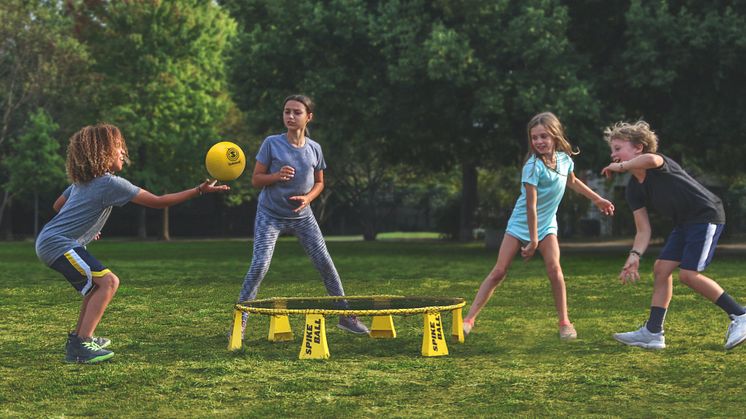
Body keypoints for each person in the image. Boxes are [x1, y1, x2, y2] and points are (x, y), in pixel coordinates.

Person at [35, 123, 229, 364]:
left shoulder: (82, 182)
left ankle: (80, 339)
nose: (123, 153)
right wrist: (199, 190)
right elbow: (159, 201)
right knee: (109, 282)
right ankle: (82, 345)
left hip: (53, 240)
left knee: (98, 286)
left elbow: (57, 206)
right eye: (118, 148)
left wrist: (85, 227)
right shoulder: (110, 183)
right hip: (58, 244)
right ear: (102, 152)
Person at [463, 112, 615, 340]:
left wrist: (597, 198)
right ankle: (469, 320)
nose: (539, 141)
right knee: (499, 271)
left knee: (555, 270)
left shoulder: (565, 160)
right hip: (521, 223)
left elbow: (572, 181)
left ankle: (565, 323)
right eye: (534, 138)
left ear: (555, 135)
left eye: (543, 136)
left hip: (546, 225)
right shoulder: (532, 167)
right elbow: (530, 207)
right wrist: (532, 240)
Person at [601, 120, 746, 350]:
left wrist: (619, 167)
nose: (613, 154)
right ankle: (653, 332)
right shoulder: (633, 189)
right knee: (661, 269)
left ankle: (740, 315)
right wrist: (635, 255)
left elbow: (651, 159)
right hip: (685, 223)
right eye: (612, 150)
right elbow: (643, 229)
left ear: (638, 147)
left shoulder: (657, 162)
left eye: (618, 148)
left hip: (705, 215)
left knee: (688, 275)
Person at [235, 94, 368, 336]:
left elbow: (319, 183)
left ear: (309, 117)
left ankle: (345, 316)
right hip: (270, 214)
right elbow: (256, 180)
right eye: (287, 111)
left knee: (326, 264)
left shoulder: (315, 148)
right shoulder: (271, 144)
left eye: (297, 112)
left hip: (303, 216)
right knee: (260, 266)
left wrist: (308, 198)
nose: (291, 116)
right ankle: (240, 320)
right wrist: (276, 176)